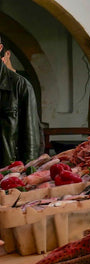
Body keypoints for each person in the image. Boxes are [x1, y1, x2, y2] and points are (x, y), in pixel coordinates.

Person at [0, 35, 42, 166]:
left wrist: (28, 169)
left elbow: (31, 137)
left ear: (0, 47)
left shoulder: (20, 85)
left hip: (6, 167)